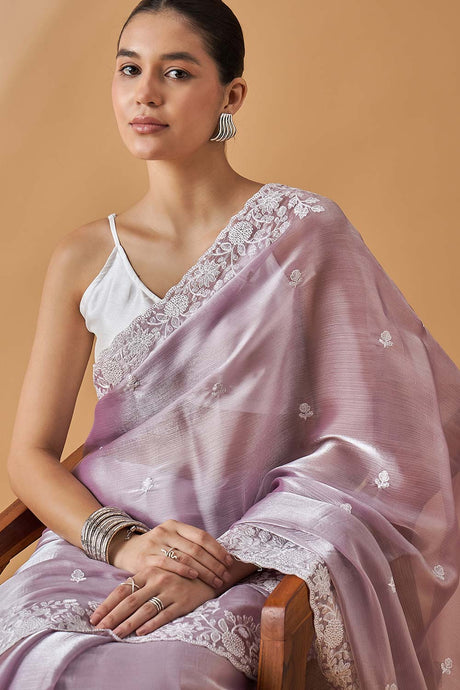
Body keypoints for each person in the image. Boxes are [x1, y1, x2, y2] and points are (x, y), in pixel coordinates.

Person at [0, 0, 458, 688]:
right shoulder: (84, 257)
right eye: (129, 69)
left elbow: (383, 444)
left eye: (177, 72)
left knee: (168, 677)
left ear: (231, 95)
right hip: (97, 551)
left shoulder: (303, 234)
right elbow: (31, 455)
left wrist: (221, 564)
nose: (144, 94)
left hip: (248, 560)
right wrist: (125, 545)